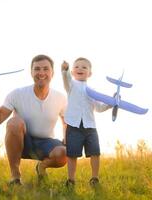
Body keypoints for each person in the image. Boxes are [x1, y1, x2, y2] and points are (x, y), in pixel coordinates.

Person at [0, 54, 67, 185]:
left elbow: (66, 122)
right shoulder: (17, 94)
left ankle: (41, 167)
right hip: (22, 142)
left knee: (64, 153)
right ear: (31, 72)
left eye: (46, 69)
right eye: (37, 69)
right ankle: (15, 176)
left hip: (47, 143)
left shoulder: (60, 98)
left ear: (52, 73)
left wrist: (67, 139)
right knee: (14, 123)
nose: (41, 73)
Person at [61, 58, 111, 188]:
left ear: (90, 73)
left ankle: (95, 178)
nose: (80, 69)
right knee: (72, 154)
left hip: (90, 127)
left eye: (84, 67)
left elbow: (99, 107)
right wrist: (65, 70)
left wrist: (110, 104)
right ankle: (71, 180)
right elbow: (66, 80)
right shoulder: (71, 85)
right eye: (76, 67)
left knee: (95, 152)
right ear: (72, 71)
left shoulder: (91, 91)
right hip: (73, 126)